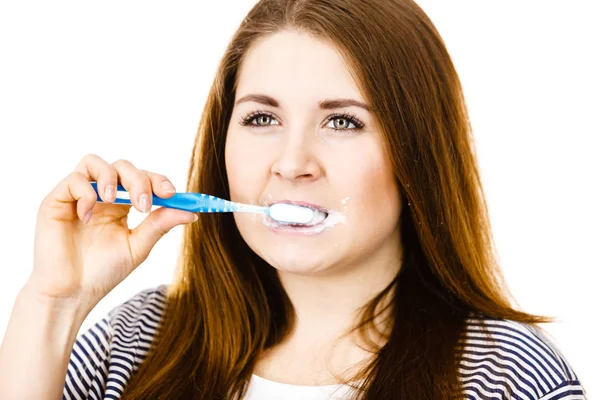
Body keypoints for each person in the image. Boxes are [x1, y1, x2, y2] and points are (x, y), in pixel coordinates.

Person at [0, 0, 587, 399]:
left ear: (418, 153)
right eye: (261, 117)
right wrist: (54, 302)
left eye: (344, 123)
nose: (291, 163)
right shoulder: (133, 342)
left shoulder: (503, 375)